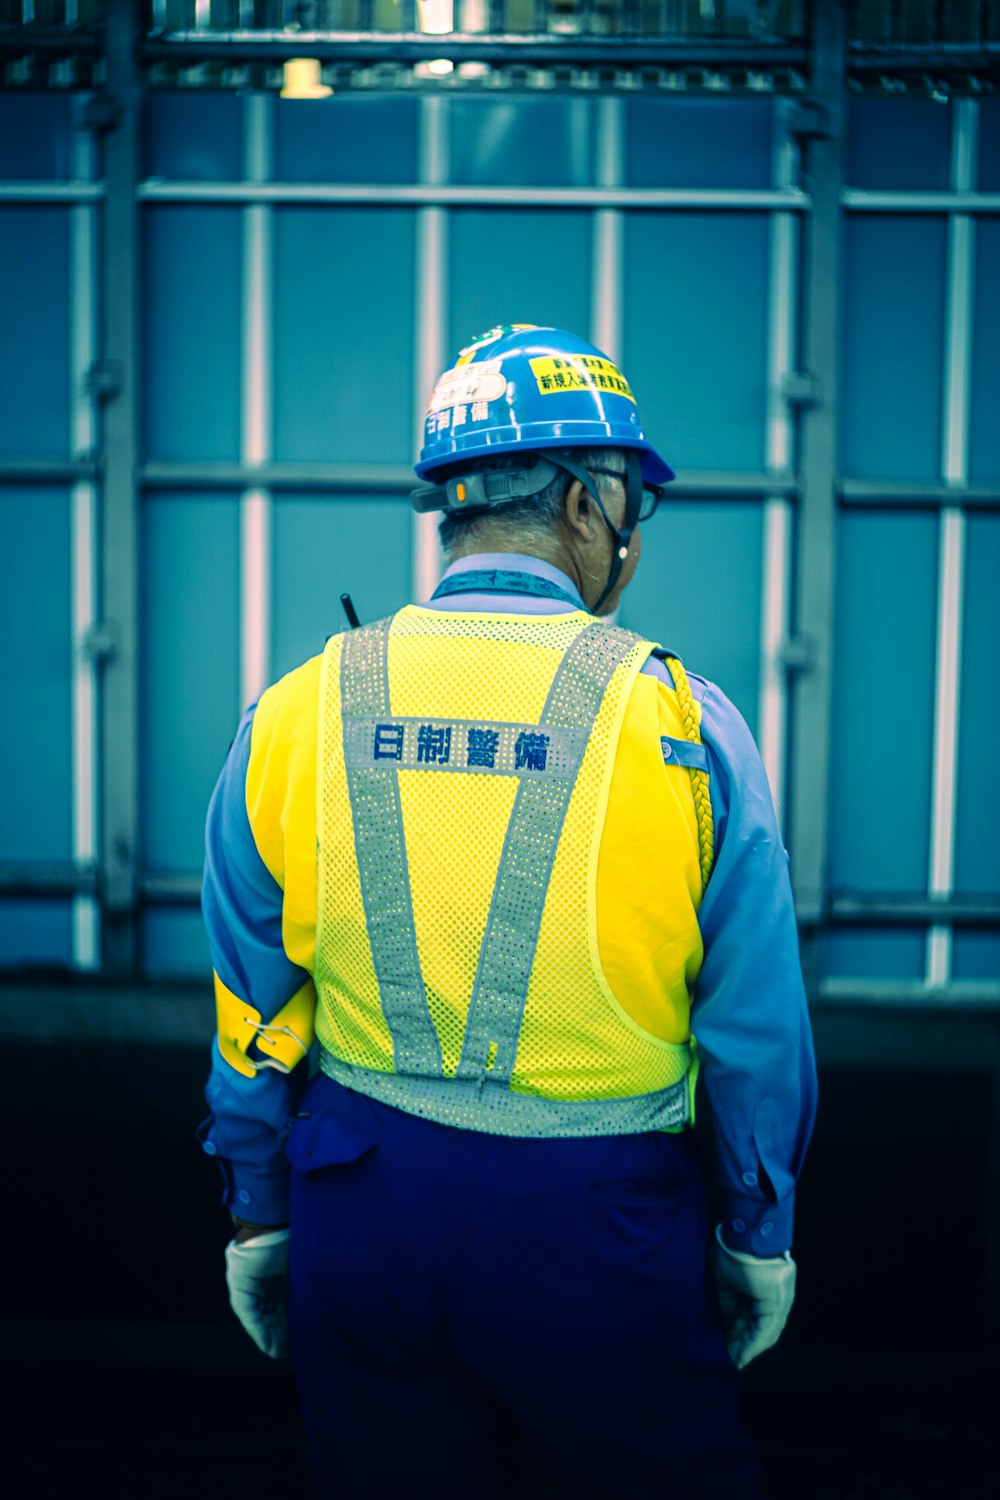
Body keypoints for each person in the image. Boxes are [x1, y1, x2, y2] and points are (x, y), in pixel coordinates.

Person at [200, 324, 817, 1499]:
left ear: (458, 503)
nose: (630, 534)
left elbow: (248, 995)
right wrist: (756, 1231)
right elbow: (754, 1028)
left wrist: (260, 1210)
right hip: (600, 1237)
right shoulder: (683, 723)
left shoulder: (295, 709)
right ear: (585, 505)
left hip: (358, 1212)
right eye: (630, 500)